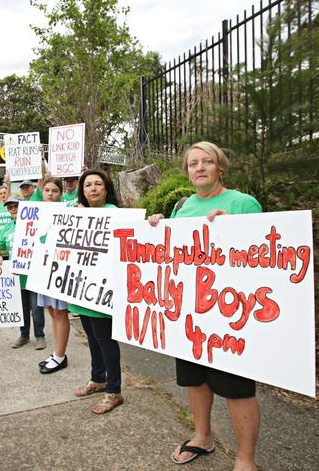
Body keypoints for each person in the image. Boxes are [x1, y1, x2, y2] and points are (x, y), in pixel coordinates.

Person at [147, 141, 262, 470]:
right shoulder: (182, 208)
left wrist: (235, 228)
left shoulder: (242, 202)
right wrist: (157, 228)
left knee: (237, 389)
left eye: (206, 162)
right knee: (194, 380)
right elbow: (168, 256)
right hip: (189, 312)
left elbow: (267, 255)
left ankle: (245, 459)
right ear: (187, 172)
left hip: (230, 314)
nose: (199, 167)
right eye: (193, 163)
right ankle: (202, 436)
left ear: (220, 167)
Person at [68, 169, 124, 414]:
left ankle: (114, 390)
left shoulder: (115, 214)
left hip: (103, 290)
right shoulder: (76, 212)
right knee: (91, 337)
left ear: (106, 188)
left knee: (105, 339)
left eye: (97, 184)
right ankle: (97, 379)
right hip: (82, 288)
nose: (92, 188)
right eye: (88, 184)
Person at [0, 195, 45, 350]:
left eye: (15, 206)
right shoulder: (7, 228)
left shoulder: (34, 223)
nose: (13, 209)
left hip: (33, 276)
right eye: (10, 207)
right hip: (16, 278)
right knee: (21, 309)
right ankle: (24, 335)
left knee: (36, 309)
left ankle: (40, 336)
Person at [36, 177, 70, 372]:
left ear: (60, 193)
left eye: (54, 190)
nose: (50, 193)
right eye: (47, 190)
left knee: (60, 311)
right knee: (51, 311)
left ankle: (59, 355)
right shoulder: (35, 212)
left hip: (59, 268)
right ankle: (58, 352)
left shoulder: (67, 210)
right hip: (42, 268)